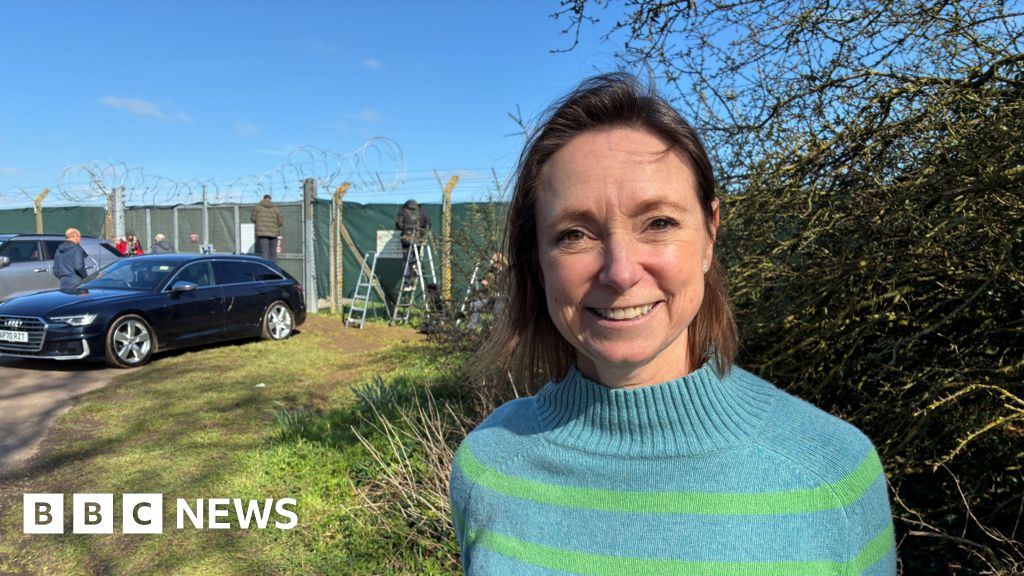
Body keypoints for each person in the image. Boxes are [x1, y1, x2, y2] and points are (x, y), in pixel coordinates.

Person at [449, 73, 897, 575]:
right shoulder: (489, 466)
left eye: (658, 222)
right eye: (575, 234)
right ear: (537, 259)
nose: (619, 270)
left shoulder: (832, 476)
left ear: (709, 234)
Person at [395, 199, 430, 280]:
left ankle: (407, 279)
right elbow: (427, 224)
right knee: (416, 254)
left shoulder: (402, 211)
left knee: (405, 259)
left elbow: (398, 225)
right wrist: (422, 232)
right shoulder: (423, 211)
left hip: (406, 239)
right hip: (418, 238)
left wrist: (406, 228)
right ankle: (415, 266)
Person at [251, 194, 284, 262]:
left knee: (264, 252)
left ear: (263, 199)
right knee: (273, 253)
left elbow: (252, 219)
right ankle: (273, 269)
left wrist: (259, 224)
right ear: (270, 199)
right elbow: (280, 222)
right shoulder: (276, 208)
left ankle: (265, 269)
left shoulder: (257, 207)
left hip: (262, 233)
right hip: (274, 233)